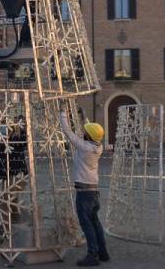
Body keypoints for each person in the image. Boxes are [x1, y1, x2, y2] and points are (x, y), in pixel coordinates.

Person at [59, 108, 109, 266]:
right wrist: (83, 116)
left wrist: (62, 113)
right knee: (95, 222)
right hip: (94, 191)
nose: (84, 133)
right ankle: (103, 252)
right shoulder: (98, 146)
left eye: (86, 132)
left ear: (88, 136)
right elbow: (90, 129)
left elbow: (67, 131)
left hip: (84, 193)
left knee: (87, 224)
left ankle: (92, 255)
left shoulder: (84, 147)